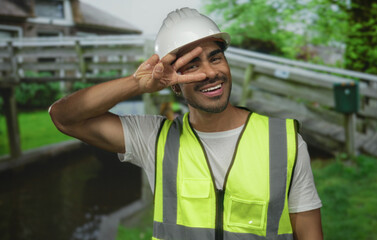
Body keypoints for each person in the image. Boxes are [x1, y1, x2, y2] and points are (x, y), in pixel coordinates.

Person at [49, 7, 323, 240]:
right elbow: (64, 117)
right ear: (174, 86)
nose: (210, 73)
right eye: (191, 66)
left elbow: (309, 233)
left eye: (215, 58)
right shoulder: (153, 139)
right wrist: (138, 84)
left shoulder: (284, 141)